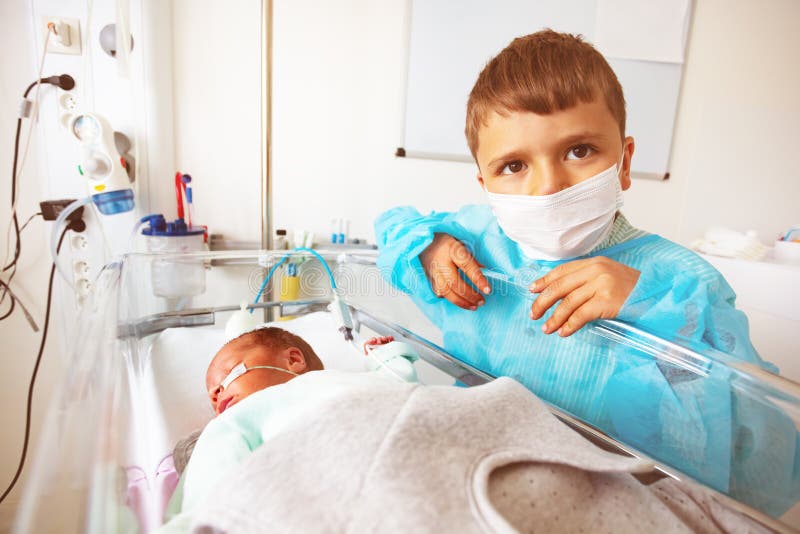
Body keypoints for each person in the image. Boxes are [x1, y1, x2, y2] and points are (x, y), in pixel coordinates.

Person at [374, 30, 796, 516]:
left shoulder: (683, 282)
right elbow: (395, 229)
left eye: (578, 151)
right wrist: (428, 248)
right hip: (479, 479)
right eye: (513, 165)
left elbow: (759, 463)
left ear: (624, 161)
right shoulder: (478, 242)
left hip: (616, 507)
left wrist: (653, 310)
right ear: (484, 182)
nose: (549, 186)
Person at [159, 327, 418, 531]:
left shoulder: (352, 381)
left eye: (229, 373)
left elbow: (399, 385)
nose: (216, 394)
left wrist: (383, 356)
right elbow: (212, 489)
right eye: (212, 397)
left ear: (293, 359)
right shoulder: (236, 420)